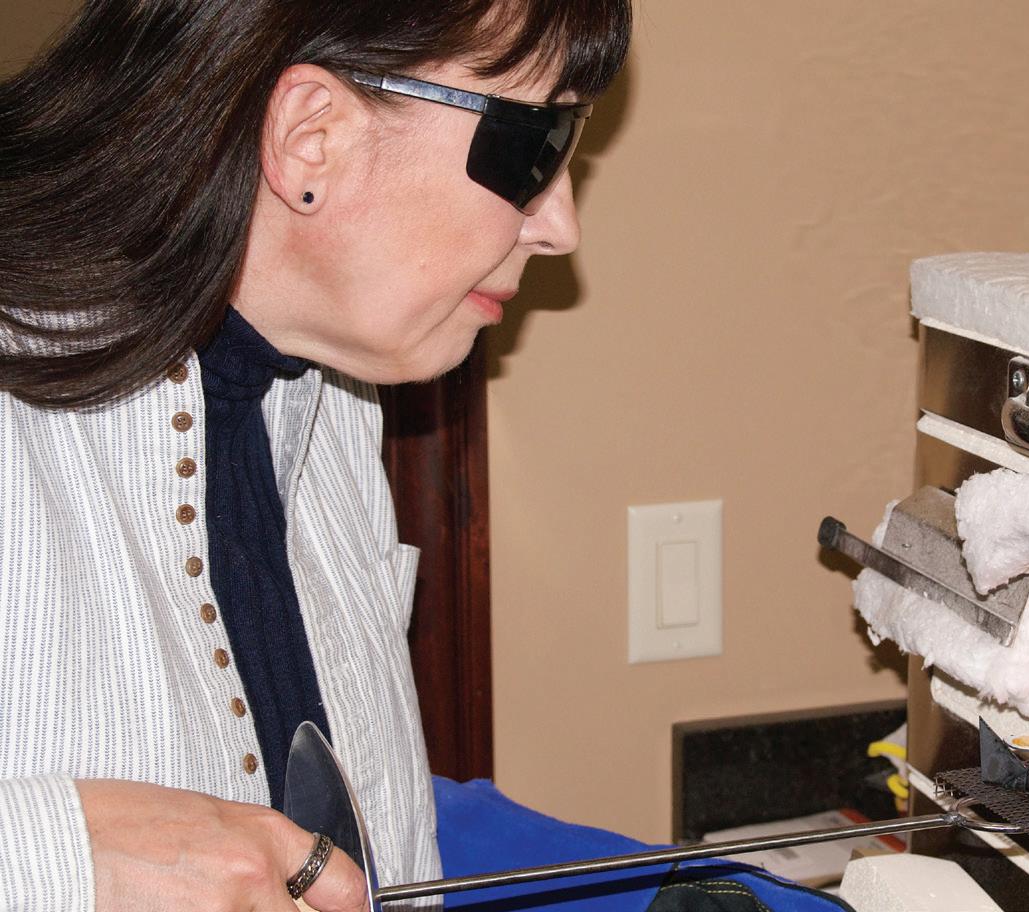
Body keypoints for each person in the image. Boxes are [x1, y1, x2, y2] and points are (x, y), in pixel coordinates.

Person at [0, 1, 630, 909]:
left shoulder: (332, 398)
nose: (559, 225)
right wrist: (62, 857)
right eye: (539, 144)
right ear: (310, 138)